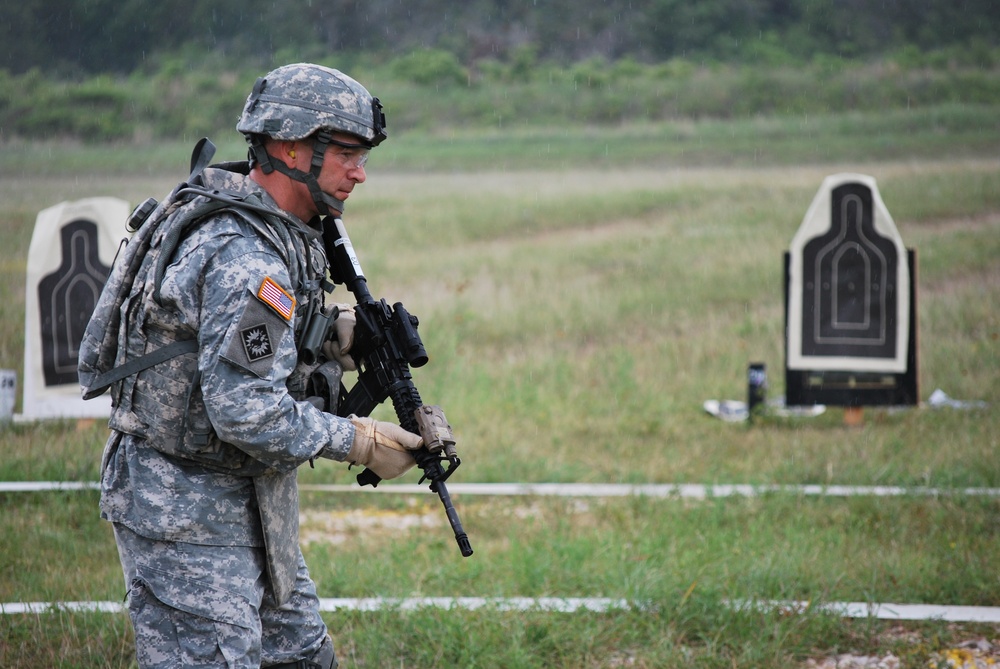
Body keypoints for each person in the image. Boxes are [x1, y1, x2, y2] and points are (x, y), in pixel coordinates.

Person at [90, 63, 423, 668]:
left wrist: (326, 337)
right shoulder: (249, 258)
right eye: (347, 153)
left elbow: (233, 345)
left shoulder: (276, 232)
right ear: (291, 146)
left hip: (248, 500)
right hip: (184, 509)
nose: (360, 173)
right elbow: (247, 412)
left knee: (301, 658)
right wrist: (360, 439)